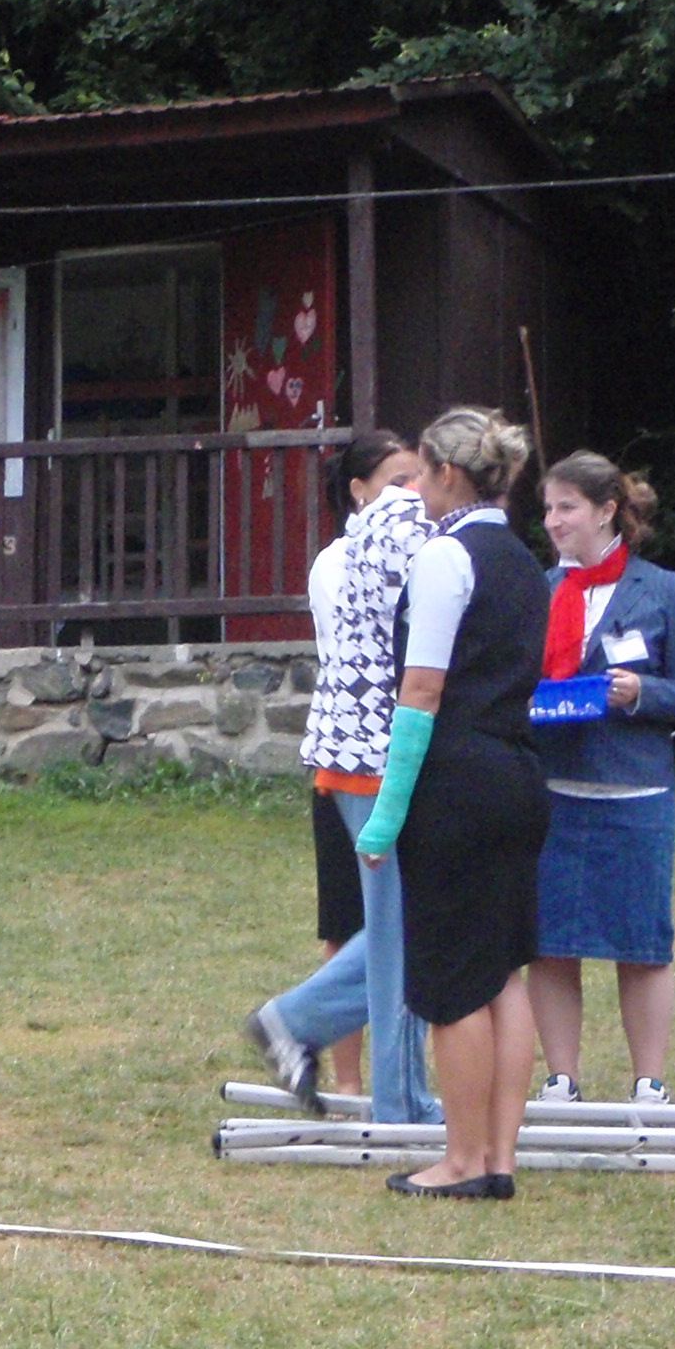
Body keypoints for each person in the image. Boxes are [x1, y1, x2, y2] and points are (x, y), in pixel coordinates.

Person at [353, 408, 550, 1198]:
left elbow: (421, 692)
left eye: (422, 473)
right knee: (504, 975)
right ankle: (499, 1158)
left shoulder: (445, 557)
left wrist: (386, 813)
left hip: (457, 781)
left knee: (451, 984)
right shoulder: (525, 561)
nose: (416, 490)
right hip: (517, 771)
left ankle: (461, 1160)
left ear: (448, 474)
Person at [243, 431, 441, 1122]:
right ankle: (395, 1098)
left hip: (369, 753)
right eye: (399, 480)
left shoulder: (394, 536)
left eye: (420, 478)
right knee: (401, 933)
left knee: (406, 928)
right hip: (368, 756)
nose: (414, 492)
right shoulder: (366, 546)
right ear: (359, 491)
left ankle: (301, 1025)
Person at [526, 451, 675, 1106]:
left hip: (635, 795)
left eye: (567, 508)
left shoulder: (662, 591)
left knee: (641, 945)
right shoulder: (540, 590)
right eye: (547, 509)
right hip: (555, 792)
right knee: (551, 944)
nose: (553, 522)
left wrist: (641, 693)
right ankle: (561, 1079)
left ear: (607, 511)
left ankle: (648, 1082)